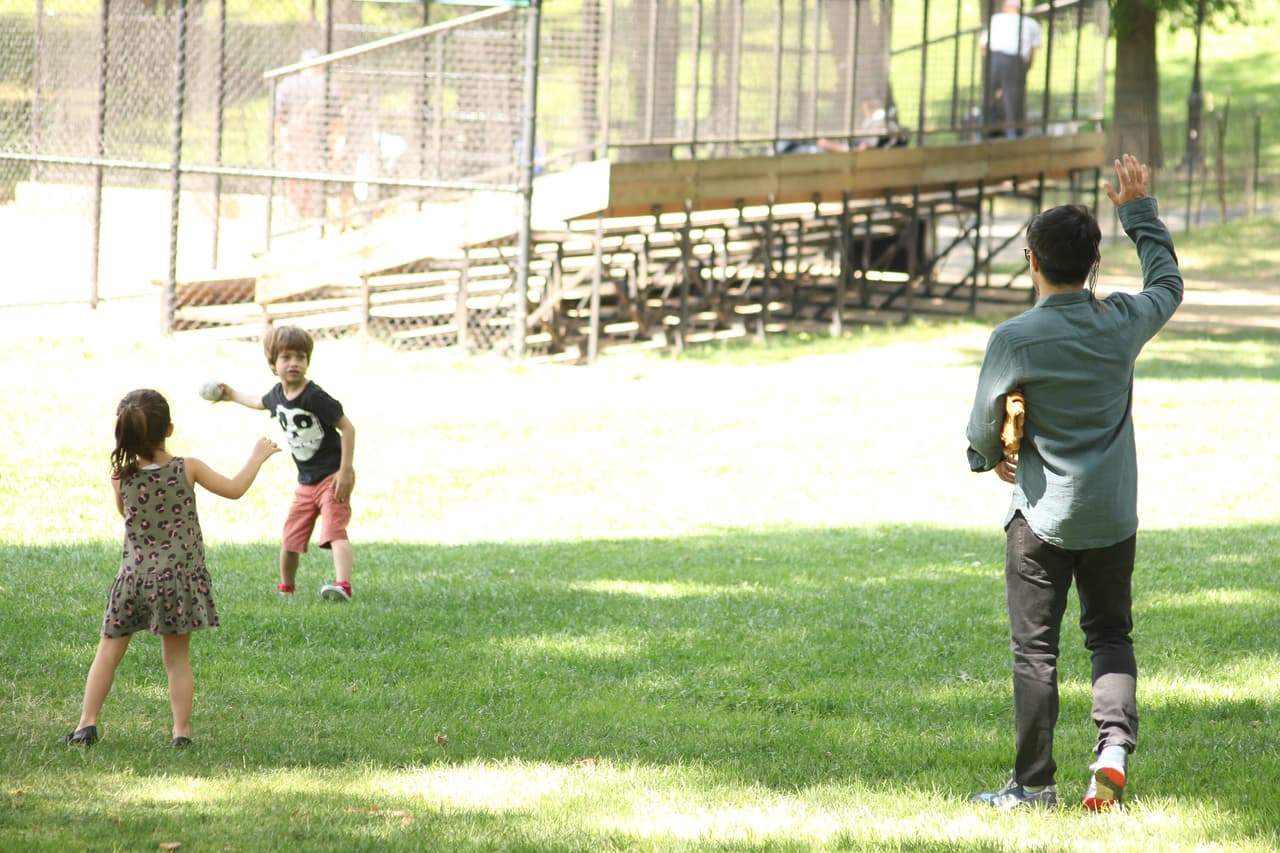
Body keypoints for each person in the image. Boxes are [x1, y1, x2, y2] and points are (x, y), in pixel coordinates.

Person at [964, 154, 1183, 810]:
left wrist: (988, 457)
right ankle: (1112, 749)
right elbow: (1167, 285)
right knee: (1110, 633)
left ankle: (1033, 786)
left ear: (1033, 261)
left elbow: (980, 432)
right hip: (1113, 516)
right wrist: (1138, 213)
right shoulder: (1121, 322)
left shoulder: (1014, 337)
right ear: (1093, 263)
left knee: (1036, 651)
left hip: (1041, 519)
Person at [61, 390, 279, 748]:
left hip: (133, 577)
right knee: (176, 661)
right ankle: (181, 733)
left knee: (108, 652)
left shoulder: (120, 476)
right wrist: (257, 456)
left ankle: (86, 724)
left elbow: (125, 513)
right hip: (177, 581)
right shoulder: (186, 468)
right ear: (170, 429)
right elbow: (235, 489)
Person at [216, 325, 357, 602]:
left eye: (301, 357)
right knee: (291, 537)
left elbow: (348, 428)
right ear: (272, 364)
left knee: (334, 530)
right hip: (306, 482)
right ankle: (286, 588)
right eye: (286, 357)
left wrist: (346, 469)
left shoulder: (314, 396)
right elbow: (258, 402)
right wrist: (231, 395)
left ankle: (343, 586)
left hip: (332, 477)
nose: (294, 363)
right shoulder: (278, 395)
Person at [274, 49, 329, 221]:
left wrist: (281, 135)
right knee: (306, 170)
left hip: (293, 133)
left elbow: (279, 117)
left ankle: (296, 207)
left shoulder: (287, 83)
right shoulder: (324, 84)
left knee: (294, 170)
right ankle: (303, 207)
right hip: (310, 135)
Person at [980, 0, 1042, 138]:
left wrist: (988, 63)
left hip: (994, 59)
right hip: (1015, 62)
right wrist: (1025, 68)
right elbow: (1032, 53)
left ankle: (983, 133)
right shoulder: (1031, 24)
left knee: (987, 97)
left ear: (1006, 8)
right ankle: (1013, 135)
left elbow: (983, 47)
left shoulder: (996, 19)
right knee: (1013, 101)